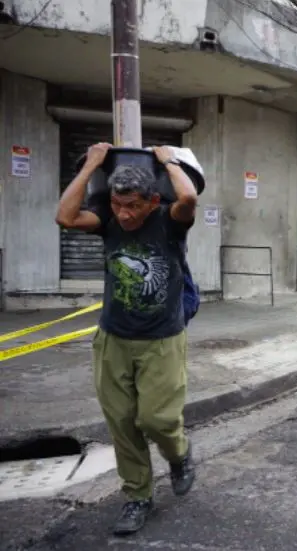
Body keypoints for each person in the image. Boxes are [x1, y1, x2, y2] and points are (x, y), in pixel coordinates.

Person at [55, 143, 198, 536]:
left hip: (162, 340)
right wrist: (92, 165)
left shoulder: (170, 221)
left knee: (158, 419)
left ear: (151, 201)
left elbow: (188, 197)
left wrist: (169, 161)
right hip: (113, 339)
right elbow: (65, 216)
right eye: (118, 204)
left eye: (133, 205)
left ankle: (180, 454)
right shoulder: (107, 219)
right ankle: (138, 496)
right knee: (121, 422)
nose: (124, 213)